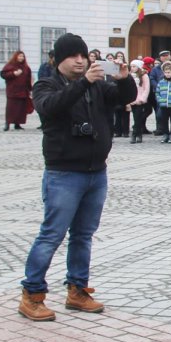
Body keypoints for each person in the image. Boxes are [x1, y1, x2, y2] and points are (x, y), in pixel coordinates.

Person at [17, 33, 136, 321]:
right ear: (59, 60)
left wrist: (124, 79)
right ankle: (32, 293)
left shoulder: (96, 86)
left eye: (83, 56)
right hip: (64, 173)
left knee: (83, 235)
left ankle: (78, 289)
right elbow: (51, 106)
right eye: (73, 56)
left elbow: (125, 98)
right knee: (51, 235)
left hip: (96, 171)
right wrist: (84, 83)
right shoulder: (46, 84)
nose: (80, 61)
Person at [0, 50, 34, 131]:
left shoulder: (26, 67)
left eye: (22, 56)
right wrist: (13, 74)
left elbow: (28, 78)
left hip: (23, 91)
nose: (21, 58)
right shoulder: (10, 65)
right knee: (11, 108)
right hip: (12, 91)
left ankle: (17, 124)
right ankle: (7, 123)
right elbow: (3, 74)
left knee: (20, 109)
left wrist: (30, 89)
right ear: (16, 57)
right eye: (20, 56)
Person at [154, 62, 171, 143]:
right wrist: (160, 100)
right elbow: (157, 92)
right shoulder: (161, 82)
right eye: (166, 72)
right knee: (164, 120)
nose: (167, 74)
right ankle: (165, 134)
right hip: (163, 104)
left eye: (169, 72)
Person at [129, 60, 151, 143]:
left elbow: (146, 88)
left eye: (134, 66)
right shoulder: (130, 75)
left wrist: (142, 99)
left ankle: (135, 134)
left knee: (138, 117)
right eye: (131, 66)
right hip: (132, 99)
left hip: (140, 99)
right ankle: (138, 134)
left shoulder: (144, 75)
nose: (132, 68)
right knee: (135, 118)